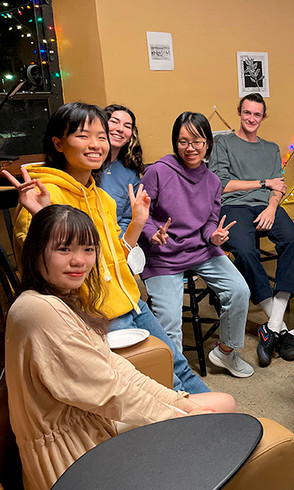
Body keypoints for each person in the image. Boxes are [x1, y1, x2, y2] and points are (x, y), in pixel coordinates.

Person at [4, 204, 235, 490]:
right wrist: (178, 419)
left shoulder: (62, 298)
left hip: (93, 423)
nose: (80, 261)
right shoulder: (39, 311)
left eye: (88, 250)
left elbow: (116, 369)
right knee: (214, 430)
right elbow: (110, 392)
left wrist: (181, 403)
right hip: (74, 456)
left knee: (222, 404)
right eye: (64, 250)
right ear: (36, 251)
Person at [4, 102, 209, 394]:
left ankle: (224, 425)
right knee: (160, 384)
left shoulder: (103, 198)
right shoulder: (42, 195)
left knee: (178, 367)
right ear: (58, 143)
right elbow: (38, 275)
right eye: (83, 136)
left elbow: (116, 258)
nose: (95, 144)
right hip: (94, 313)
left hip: (131, 302)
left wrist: (138, 223)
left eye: (101, 136)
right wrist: (44, 217)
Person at [140, 112, 252, 378]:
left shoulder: (213, 182)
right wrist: (152, 233)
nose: (190, 148)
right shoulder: (158, 172)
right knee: (170, 323)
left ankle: (226, 352)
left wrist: (213, 236)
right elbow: (141, 214)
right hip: (163, 255)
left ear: (207, 143)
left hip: (201, 250)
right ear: (175, 143)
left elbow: (210, 221)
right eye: (183, 141)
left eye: (197, 141)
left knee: (238, 290)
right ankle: (175, 378)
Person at [209, 93, 294, 368]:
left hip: (265, 207)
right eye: (247, 113)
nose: (251, 119)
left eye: (257, 115)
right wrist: (263, 182)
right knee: (245, 250)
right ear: (239, 112)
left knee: (292, 240)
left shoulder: (271, 148)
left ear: (263, 117)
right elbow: (221, 185)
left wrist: (272, 206)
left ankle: (270, 326)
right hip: (234, 207)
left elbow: (278, 186)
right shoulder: (222, 143)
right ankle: (280, 327)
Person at [98, 104, 144, 234]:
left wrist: (119, 244)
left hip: (114, 243)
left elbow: (127, 218)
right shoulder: (84, 165)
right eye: (114, 122)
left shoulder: (130, 174)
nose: (120, 129)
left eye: (127, 126)